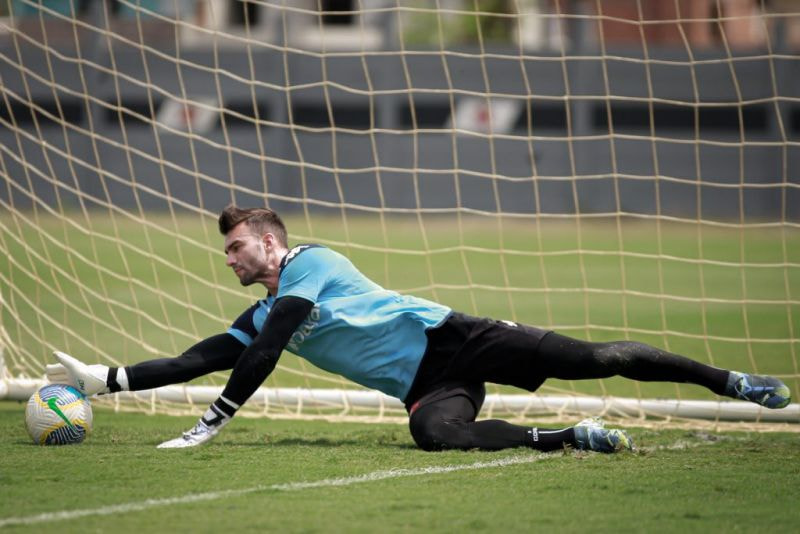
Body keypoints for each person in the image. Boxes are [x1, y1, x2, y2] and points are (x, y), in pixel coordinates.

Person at [47, 205, 792, 451]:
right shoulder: (264, 310)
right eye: (228, 250)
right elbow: (196, 357)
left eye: (237, 246)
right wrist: (99, 381)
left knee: (599, 356)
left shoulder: (310, 266)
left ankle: (732, 382)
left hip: (456, 338)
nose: (231, 258)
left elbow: (269, 349)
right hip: (423, 383)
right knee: (435, 436)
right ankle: (570, 439)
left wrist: (212, 424)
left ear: (271, 243)